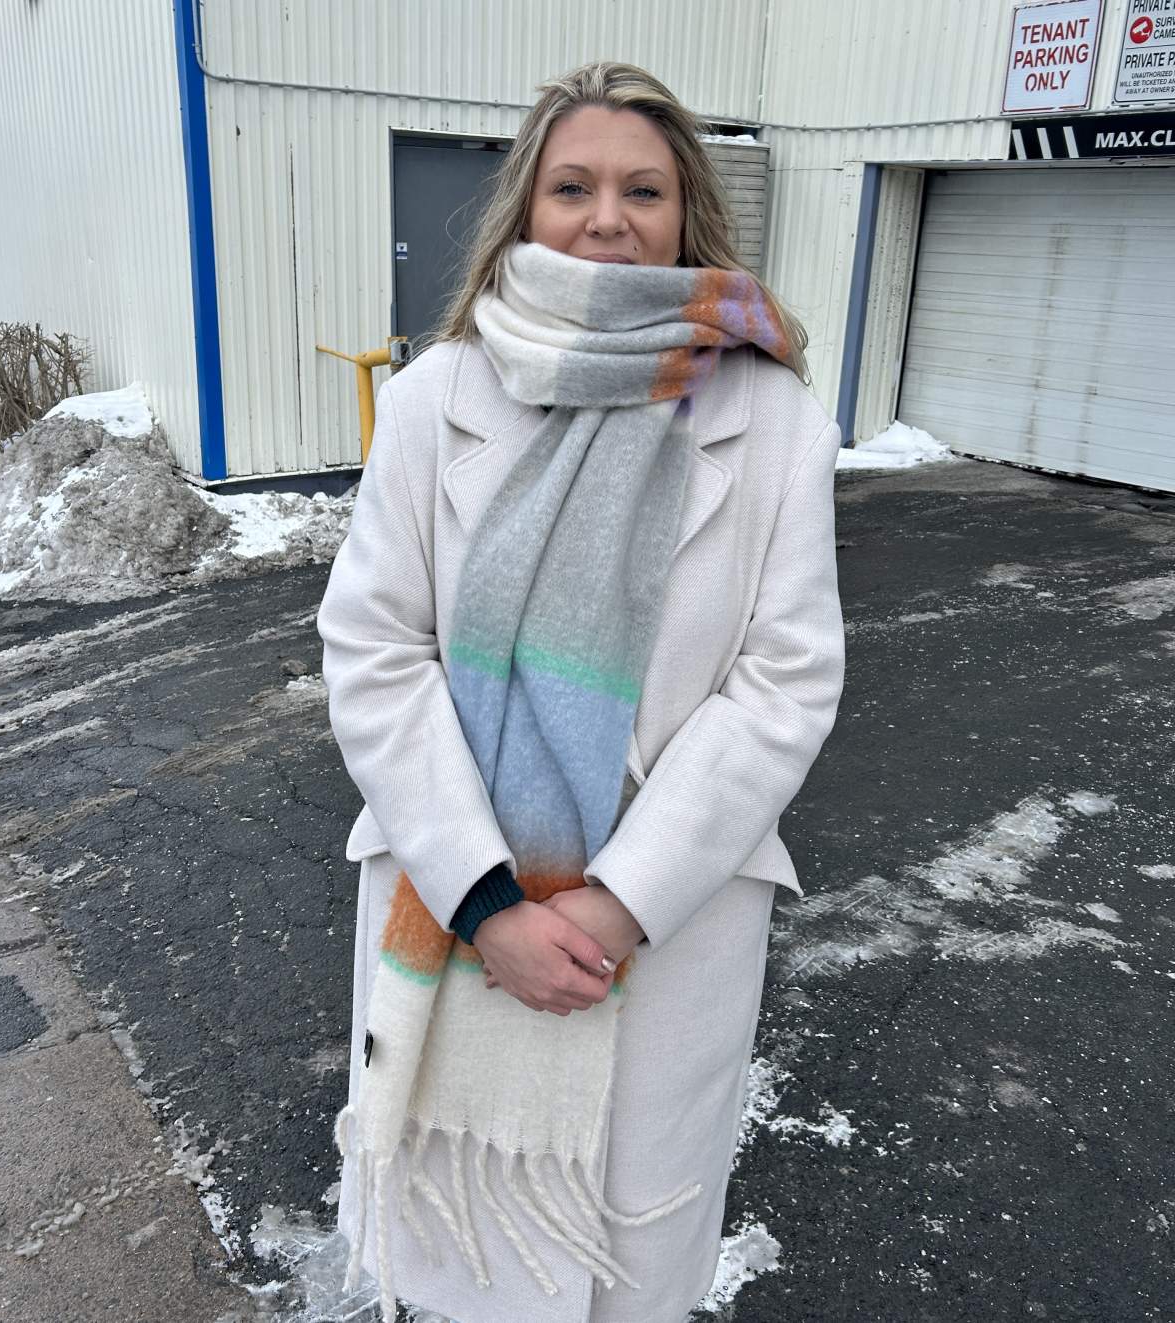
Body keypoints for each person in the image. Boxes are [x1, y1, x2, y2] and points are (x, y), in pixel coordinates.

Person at [317, 59, 845, 1323]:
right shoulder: (435, 399)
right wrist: (486, 900)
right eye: (573, 186)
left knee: (624, 1263)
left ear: (686, 216)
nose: (607, 216)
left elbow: (786, 677)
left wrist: (617, 906)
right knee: (465, 1254)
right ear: (525, 209)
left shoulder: (772, 419)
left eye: (643, 189)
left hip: (666, 926)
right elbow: (376, 647)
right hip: (454, 908)